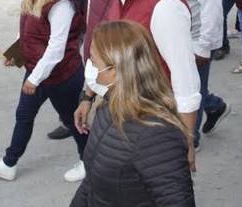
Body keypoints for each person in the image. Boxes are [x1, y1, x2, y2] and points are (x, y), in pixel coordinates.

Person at [85, 0, 201, 169]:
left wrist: (187, 141)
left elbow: (185, 78)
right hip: (124, 111)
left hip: (152, 121)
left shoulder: (164, 5)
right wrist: (88, 95)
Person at [0, 0, 86, 182]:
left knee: (73, 120)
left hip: (63, 75)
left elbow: (56, 47)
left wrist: (34, 79)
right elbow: (29, 33)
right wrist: (16, 54)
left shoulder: (61, 3)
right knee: (24, 115)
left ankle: (88, 161)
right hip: (37, 71)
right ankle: (9, 163)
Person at [70, 21, 195, 207]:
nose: (89, 66)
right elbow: (91, 183)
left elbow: (176, 201)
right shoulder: (108, 107)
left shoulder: (157, 136)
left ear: (114, 70)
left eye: (94, 61)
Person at [168, 0, 230, 149]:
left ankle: (190, 141)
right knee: (187, 86)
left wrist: (205, 46)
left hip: (195, 40)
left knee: (191, 91)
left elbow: (212, 6)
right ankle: (215, 106)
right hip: (177, 35)